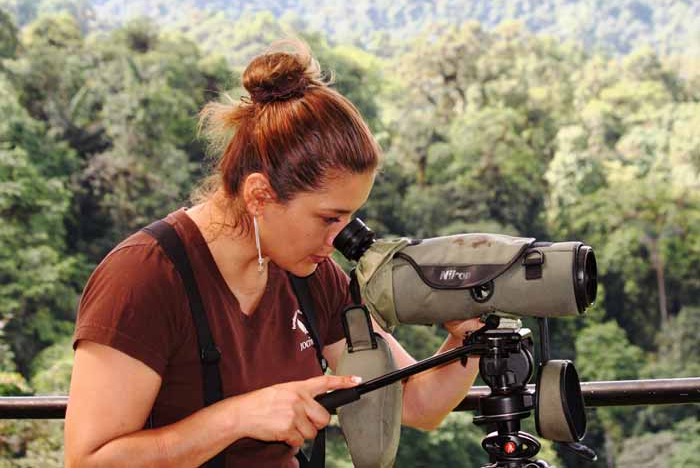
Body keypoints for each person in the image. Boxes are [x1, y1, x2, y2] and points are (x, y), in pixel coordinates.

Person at [64, 40, 482, 468]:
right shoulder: (143, 278)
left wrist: (469, 336)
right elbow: (88, 460)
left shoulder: (313, 275)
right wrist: (235, 418)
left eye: (351, 217)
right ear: (259, 195)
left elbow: (415, 403)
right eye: (328, 218)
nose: (341, 239)